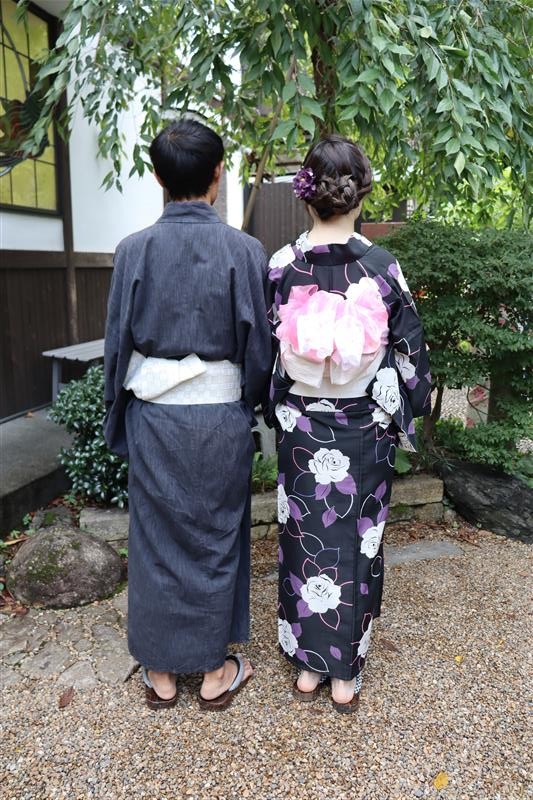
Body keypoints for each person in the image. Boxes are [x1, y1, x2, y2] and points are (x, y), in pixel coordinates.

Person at [103, 118, 271, 710]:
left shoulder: (133, 251)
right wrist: (251, 405)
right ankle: (215, 672)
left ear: (157, 177)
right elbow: (259, 350)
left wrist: (118, 418)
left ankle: (162, 671)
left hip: (155, 420)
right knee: (217, 538)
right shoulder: (245, 251)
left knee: (154, 540)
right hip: (220, 419)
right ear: (218, 174)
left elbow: (117, 347)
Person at [265, 135, 431, 712]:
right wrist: (409, 403)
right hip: (363, 428)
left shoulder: (282, 265)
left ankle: (309, 667)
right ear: (360, 195)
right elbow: (410, 353)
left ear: (306, 194)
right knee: (357, 543)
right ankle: (343, 673)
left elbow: (267, 351)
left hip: (302, 426)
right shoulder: (381, 267)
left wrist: (277, 401)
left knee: (304, 539)